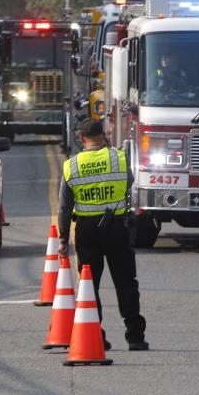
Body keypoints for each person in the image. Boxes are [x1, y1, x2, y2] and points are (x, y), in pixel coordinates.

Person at [58, 118, 148, 351]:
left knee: (89, 285)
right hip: (116, 227)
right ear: (104, 136)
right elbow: (129, 183)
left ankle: (96, 334)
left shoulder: (72, 165)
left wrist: (62, 239)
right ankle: (135, 336)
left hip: (86, 231)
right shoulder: (119, 158)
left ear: (81, 139)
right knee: (126, 282)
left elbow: (64, 208)